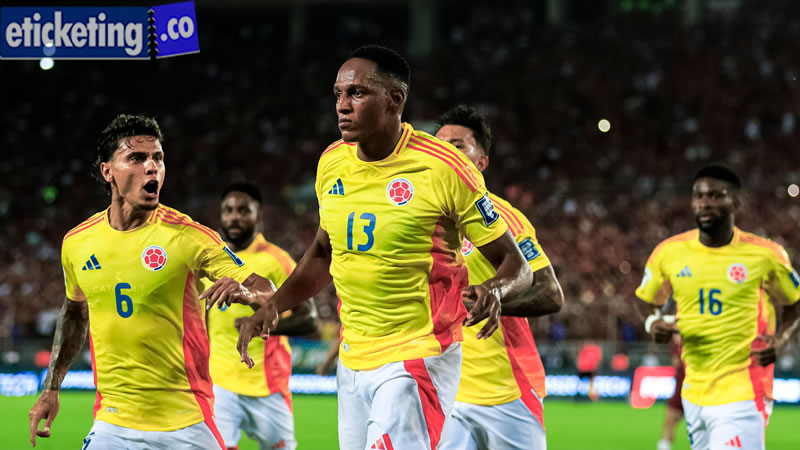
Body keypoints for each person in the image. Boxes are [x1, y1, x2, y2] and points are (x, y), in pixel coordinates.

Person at [236, 45, 533, 450]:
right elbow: (324, 252)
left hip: (419, 354)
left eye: (357, 93)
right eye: (338, 94)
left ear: (395, 99)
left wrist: (495, 290)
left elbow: (517, 263)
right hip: (353, 358)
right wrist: (275, 304)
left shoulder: (444, 168)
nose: (342, 105)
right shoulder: (331, 163)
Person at [28, 114, 277, 450]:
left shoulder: (188, 236)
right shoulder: (77, 242)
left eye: (157, 158)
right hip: (112, 423)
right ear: (107, 171)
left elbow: (268, 290)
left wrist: (247, 292)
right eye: (136, 158)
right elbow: (74, 313)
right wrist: (51, 387)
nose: (152, 167)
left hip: (186, 423)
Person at [635, 163, 800, 450]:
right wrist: (652, 322)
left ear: (735, 202)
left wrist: (783, 338)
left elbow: (795, 302)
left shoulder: (765, 255)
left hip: (744, 389)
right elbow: (645, 299)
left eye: (715, 195)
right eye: (699, 196)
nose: (705, 203)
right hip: (694, 391)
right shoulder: (669, 252)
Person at [433, 105, 564, 450]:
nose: (445, 153)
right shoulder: (421, 217)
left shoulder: (503, 218)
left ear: (481, 162)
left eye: (458, 146)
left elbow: (551, 293)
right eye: (439, 144)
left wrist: (494, 301)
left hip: (506, 392)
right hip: (447, 389)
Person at [206, 182, 319, 450]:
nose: (235, 217)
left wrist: (261, 327)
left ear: (259, 215)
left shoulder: (277, 260)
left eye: (244, 210)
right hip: (220, 384)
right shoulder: (211, 260)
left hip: (268, 385)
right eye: (228, 210)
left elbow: (310, 319)